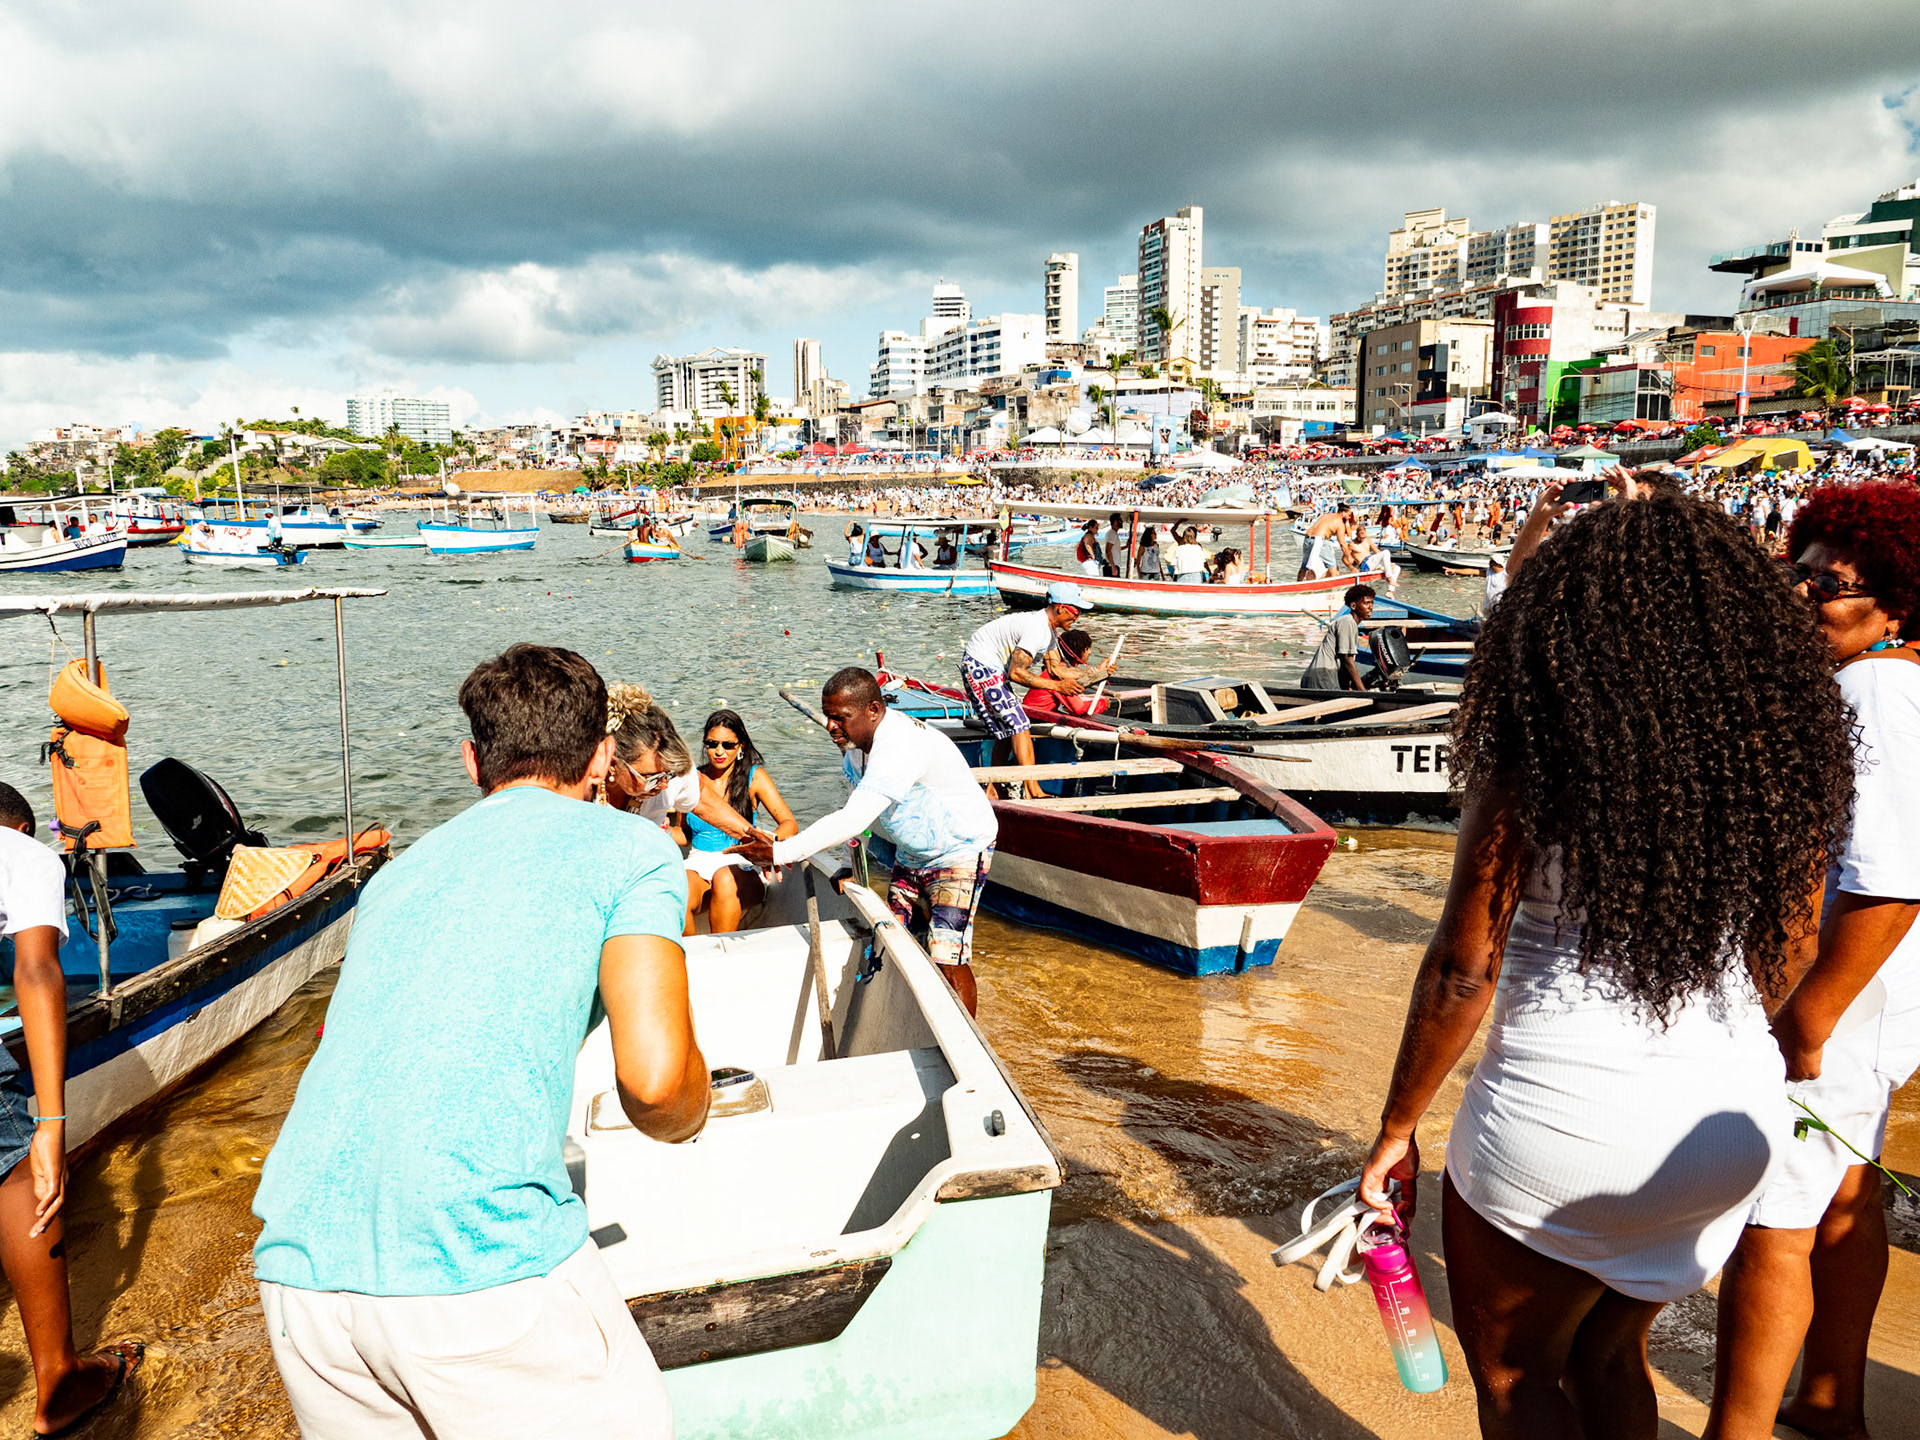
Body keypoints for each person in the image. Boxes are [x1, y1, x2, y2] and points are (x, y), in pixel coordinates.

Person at [1358, 495, 1856, 1440]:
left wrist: (1396, 1130)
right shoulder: (1777, 760)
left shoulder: (1536, 757)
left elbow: (1465, 971)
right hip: (1727, 1127)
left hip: (1561, 1123)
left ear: (1565, 619)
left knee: (1518, 1381)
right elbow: (1789, 952)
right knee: (1606, 1353)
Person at [253, 644, 709, 1438]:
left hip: (300, 1270)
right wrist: (696, 1110)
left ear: (472, 761)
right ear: (604, 757)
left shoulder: (398, 875)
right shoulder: (632, 849)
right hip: (474, 1264)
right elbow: (659, 1085)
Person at [1708, 482, 1920, 1440]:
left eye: (1830, 585)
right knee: (1842, 1194)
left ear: (1900, 603)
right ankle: (1832, 1397)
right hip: (1872, 1006)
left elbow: (1889, 880)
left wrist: (1806, 1020)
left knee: (1774, 1224)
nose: (1801, 596)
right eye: (1795, 574)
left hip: (1839, 1006)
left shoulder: (1875, 688)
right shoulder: (1884, 683)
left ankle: (1737, 1432)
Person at [0, 783, 144, 1435]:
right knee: (19, 1175)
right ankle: (60, 1378)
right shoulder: (21, 853)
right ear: (22, 825)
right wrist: (51, 1126)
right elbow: (34, 971)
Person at [729, 668, 997, 1015]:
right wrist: (849, 862)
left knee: (947, 952)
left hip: (960, 848)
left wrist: (780, 851)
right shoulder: (856, 748)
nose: (830, 727)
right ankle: (918, 1020)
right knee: (901, 944)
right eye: (827, 717)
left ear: (873, 710)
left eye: (841, 718)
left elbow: (853, 818)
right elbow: (858, 809)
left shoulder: (899, 745)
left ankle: (965, 1047)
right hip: (914, 853)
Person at [958, 584, 1089, 799]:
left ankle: (993, 789)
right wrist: (1058, 686)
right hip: (981, 665)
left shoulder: (1049, 633)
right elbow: (1017, 672)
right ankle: (1033, 790)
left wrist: (1097, 672)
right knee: (1020, 725)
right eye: (1076, 611)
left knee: (1009, 728)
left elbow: (1056, 669)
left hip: (987, 667)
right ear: (1061, 608)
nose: (1077, 617)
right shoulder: (1037, 629)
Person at [682, 710, 797, 934]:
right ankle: (689, 960)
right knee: (676, 887)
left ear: (741, 746)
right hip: (698, 863)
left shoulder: (755, 777)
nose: (719, 751)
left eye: (728, 745)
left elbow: (789, 824)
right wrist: (661, 831)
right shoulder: (692, 779)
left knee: (723, 877)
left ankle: (721, 956)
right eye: (712, 743)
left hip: (741, 865)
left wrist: (769, 841)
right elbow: (685, 835)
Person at [1299, 584, 1373, 690]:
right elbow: (1348, 660)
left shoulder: (1349, 623)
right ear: (1353, 606)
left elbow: (1343, 664)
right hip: (1322, 678)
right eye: (1366, 603)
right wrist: (1363, 692)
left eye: (1372, 603)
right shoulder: (1348, 622)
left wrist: (1347, 688)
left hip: (1321, 677)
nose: (1370, 607)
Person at [1297, 507, 1351, 581]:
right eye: (1349, 514)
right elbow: (1342, 543)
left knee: (1304, 566)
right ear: (1343, 513)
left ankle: (1299, 584)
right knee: (1332, 566)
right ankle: (1334, 587)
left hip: (1308, 538)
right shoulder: (1339, 521)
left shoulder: (1326, 516)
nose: (1349, 517)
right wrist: (1348, 556)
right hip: (1319, 540)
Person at [1101, 512, 1127, 576]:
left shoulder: (1113, 533)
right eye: (1120, 520)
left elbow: (1115, 549)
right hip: (1112, 566)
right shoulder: (1112, 534)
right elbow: (1108, 550)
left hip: (1113, 565)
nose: (1122, 522)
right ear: (1115, 522)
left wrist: (1126, 546)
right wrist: (1113, 566)